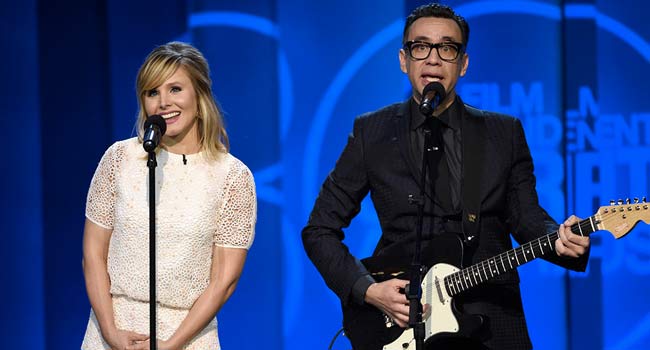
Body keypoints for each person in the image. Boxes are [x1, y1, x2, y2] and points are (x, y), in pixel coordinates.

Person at [302, 3, 589, 350]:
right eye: (420, 47)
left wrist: (557, 238)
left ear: (463, 63)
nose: (433, 59)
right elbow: (319, 230)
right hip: (403, 325)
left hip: (492, 324)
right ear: (403, 60)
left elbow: (528, 217)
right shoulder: (372, 132)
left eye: (447, 48)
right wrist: (368, 289)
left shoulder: (503, 132)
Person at [81, 42, 257, 349]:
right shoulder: (119, 159)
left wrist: (172, 344)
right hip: (113, 331)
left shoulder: (231, 175)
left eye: (175, 89)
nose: (163, 102)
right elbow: (93, 255)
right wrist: (110, 332)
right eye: (152, 92)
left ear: (200, 94)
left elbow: (223, 280)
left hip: (187, 337)